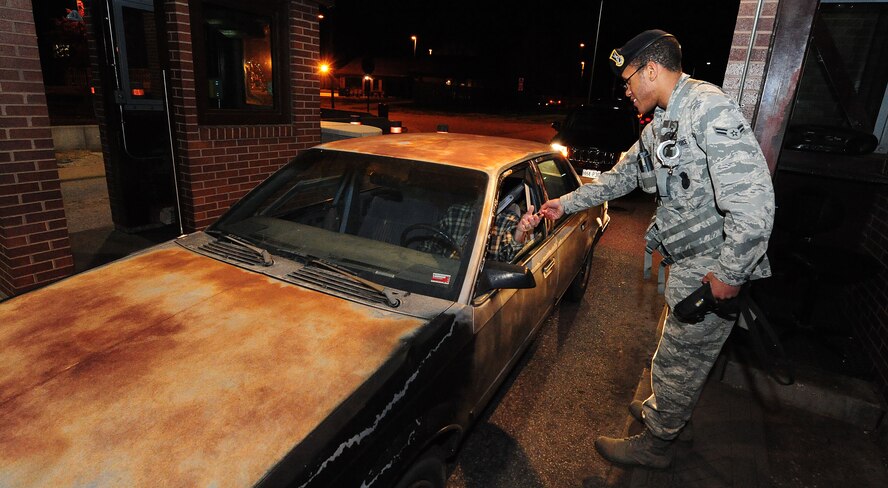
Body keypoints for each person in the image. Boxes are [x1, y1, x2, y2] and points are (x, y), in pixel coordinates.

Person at [539, 29, 775, 469]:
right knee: (672, 351)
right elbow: (622, 176)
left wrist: (729, 274)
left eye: (629, 80)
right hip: (690, 264)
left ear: (652, 70)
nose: (626, 90)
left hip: (712, 268)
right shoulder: (666, 120)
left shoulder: (707, 108)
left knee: (679, 360)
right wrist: (565, 202)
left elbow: (754, 204)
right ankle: (664, 414)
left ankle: (658, 443)